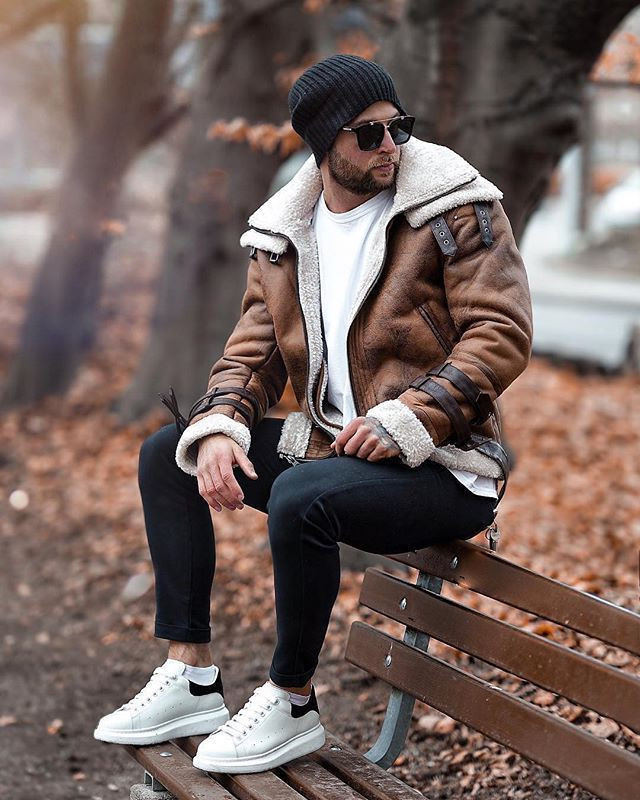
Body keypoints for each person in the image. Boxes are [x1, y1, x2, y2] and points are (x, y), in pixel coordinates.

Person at [94, 54, 532, 774]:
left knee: (303, 493)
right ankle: (191, 675)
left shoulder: (453, 205)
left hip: (445, 466)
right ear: (325, 143)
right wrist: (220, 427)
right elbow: (252, 354)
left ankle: (293, 700)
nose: (391, 146)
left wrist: (411, 416)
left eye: (398, 127)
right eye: (369, 134)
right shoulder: (285, 233)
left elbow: (501, 332)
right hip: (338, 454)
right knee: (167, 454)